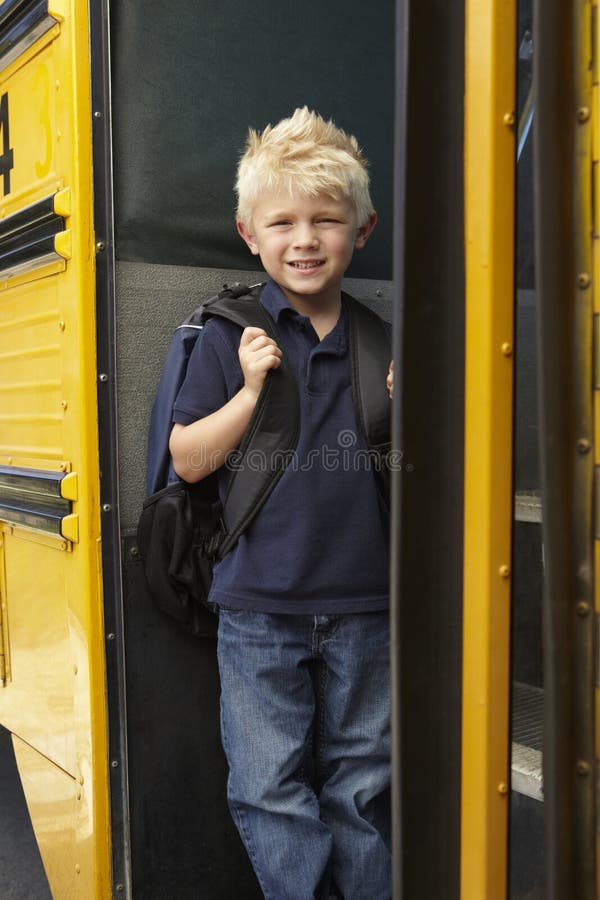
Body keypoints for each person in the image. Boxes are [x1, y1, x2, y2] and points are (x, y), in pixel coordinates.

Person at [169, 107, 392, 900]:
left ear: (361, 232)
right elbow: (190, 461)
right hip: (259, 607)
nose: (305, 239)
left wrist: (410, 405)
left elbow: (412, 472)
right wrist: (252, 386)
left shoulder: (382, 342)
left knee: (363, 787)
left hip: (368, 604)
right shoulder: (230, 334)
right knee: (269, 787)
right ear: (248, 232)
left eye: (327, 221)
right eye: (284, 222)